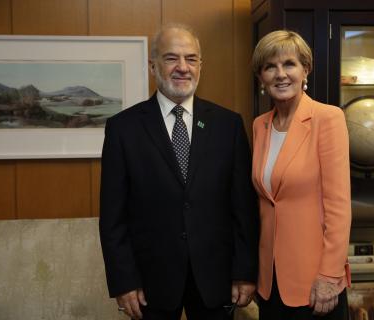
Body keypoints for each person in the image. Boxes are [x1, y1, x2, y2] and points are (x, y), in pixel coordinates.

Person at [99, 24, 259, 320]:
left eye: (192, 58)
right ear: (153, 66)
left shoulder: (229, 125)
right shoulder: (123, 129)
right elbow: (113, 217)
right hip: (151, 283)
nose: (183, 68)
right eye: (171, 58)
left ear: (201, 65)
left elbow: (243, 209)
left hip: (216, 280)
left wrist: (245, 272)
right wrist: (124, 282)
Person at [251, 30, 352, 319]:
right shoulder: (261, 126)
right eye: (270, 66)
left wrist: (329, 276)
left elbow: (339, 206)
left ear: (305, 69)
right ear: (261, 76)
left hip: (316, 284)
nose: (280, 74)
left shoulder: (327, 119)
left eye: (289, 64)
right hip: (270, 283)